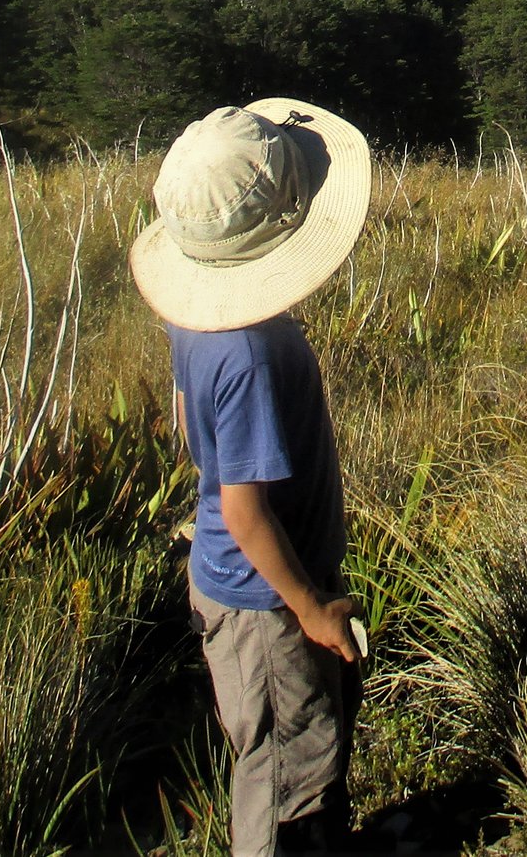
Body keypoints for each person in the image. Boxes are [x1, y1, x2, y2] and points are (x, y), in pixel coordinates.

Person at [129, 98, 373, 857]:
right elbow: (243, 510)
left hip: (254, 586)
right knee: (288, 775)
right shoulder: (249, 356)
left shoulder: (198, 322)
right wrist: (310, 608)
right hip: (264, 601)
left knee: (298, 747)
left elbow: (186, 416)